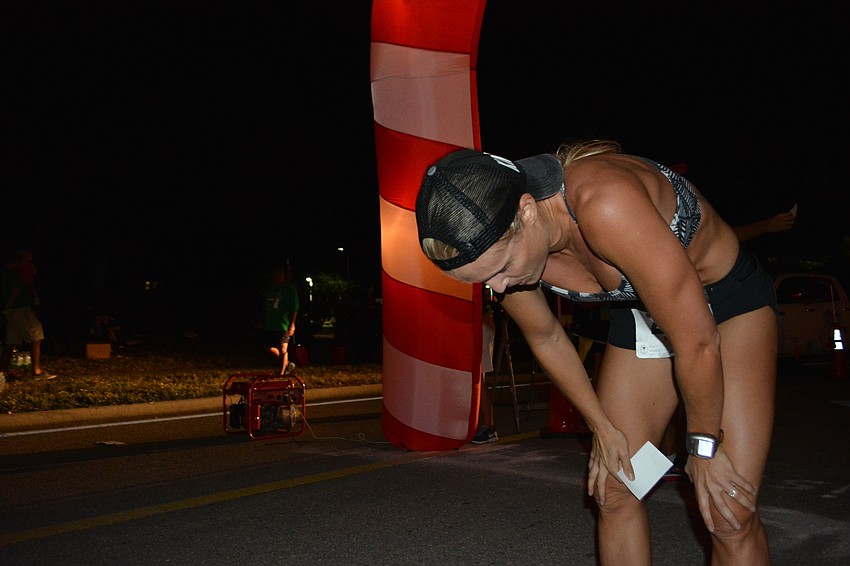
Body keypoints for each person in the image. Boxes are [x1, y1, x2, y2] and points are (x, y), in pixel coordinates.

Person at [415, 142, 776, 565]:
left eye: (500, 269)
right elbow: (547, 337)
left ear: (527, 211)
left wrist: (702, 449)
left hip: (723, 311)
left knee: (727, 512)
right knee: (615, 487)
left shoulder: (603, 203)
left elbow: (696, 342)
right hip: (643, 318)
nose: (498, 287)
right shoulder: (501, 257)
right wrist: (603, 429)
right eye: (483, 281)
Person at [1, 248, 56, 380]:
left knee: (12, 340)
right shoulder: (19, 270)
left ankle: (2, 371)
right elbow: (17, 289)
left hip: (13, 309)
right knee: (36, 334)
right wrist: (10, 305)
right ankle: (36, 371)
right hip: (20, 307)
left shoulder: (10, 269)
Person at [258, 266, 299, 375]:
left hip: (283, 325)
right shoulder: (270, 289)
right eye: (276, 274)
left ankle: (281, 373)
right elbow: (265, 306)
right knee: (268, 347)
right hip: (270, 324)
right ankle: (287, 364)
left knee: (282, 347)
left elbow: (294, 308)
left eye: (280, 274)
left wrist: (292, 324)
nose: (278, 276)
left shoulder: (290, 289)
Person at [471, 287, 498, 444]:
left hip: (480, 321)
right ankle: (484, 425)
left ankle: (489, 427)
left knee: (478, 378)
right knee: (477, 377)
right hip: (481, 320)